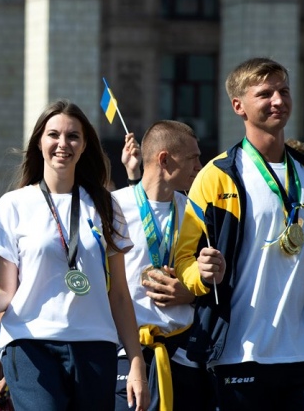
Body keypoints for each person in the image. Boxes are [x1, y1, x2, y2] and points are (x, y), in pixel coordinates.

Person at [0, 100, 149, 410]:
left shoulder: (106, 205)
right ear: (39, 142)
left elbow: (121, 295)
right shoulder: (13, 205)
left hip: (96, 346)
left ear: (84, 146)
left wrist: (136, 361)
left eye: (73, 136)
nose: (63, 144)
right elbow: (4, 292)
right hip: (30, 345)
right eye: (53, 134)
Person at [175, 57, 304, 410]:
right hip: (240, 352)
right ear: (239, 106)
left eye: (284, 91)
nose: (278, 100)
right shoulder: (217, 175)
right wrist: (202, 274)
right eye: (265, 94)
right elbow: (184, 260)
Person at [113, 121, 215, 411]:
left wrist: (191, 294)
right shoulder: (111, 208)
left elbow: (217, 282)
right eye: (193, 158)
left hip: (185, 356)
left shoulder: (197, 212)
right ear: (165, 160)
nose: (199, 166)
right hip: (126, 354)